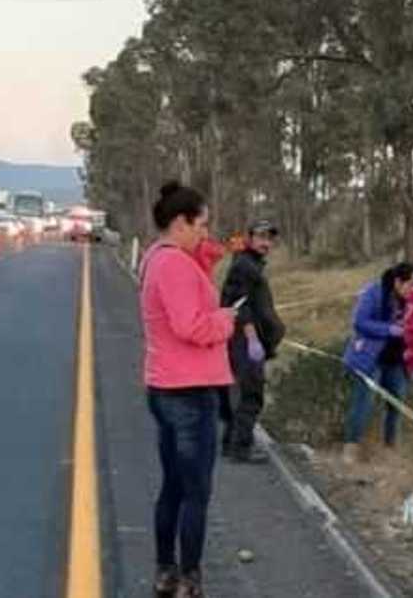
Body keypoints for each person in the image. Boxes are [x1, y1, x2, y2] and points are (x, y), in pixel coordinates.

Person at [140, 181, 236, 598]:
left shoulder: (156, 258)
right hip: (189, 391)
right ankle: (189, 579)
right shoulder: (174, 265)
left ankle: (166, 571)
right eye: (201, 224)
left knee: (174, 487)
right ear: (180, 222)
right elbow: (190, 325)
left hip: (166, 386)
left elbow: (207, 258)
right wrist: (226, 320)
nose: (205, 233)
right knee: (195, 493)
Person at [219, 220, 285, 464]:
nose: (266, 242)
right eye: (261, 237)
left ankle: (230, 442)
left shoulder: (251, 264)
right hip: (244, 341)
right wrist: (252, 339)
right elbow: (239, 305)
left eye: (269, 238)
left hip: (248, 340)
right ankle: (241, 447)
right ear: (250, 238)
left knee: (238, 393)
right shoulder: (244, 266)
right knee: (250, 395)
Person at [340, 262, 413, 464]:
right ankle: (351, 446)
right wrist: (390, 329)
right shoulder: (374, 293)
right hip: (370, 357)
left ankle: (389, 448)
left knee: (396, 403)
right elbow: (360, 322)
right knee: (363, 402)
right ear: (398, 282)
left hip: (397, 359)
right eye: (410, 284)